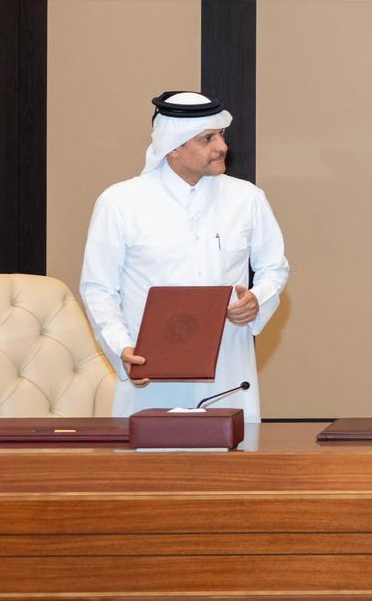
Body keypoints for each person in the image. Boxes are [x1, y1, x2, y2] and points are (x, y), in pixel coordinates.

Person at [80, 91, 290, 422]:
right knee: (150, 454)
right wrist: (122, 347)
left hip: (227, 372)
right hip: (150, 373)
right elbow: (98, 288)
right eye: (207, 138)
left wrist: (257, 300)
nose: (222, 147)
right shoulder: (120, 202)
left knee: (231, 454)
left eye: (221, 135)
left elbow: (274, 268)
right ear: (173, 147)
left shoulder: (247, 199)